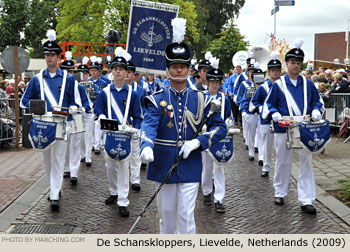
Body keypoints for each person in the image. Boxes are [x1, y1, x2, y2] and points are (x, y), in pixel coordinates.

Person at [139, 18, 227, 234]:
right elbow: (149, 124)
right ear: (168, 70)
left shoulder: (201, 99)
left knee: (186, 216)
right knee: (167, 216)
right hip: (163, 163)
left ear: (188, 70)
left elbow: (220, 128)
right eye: (174, 67)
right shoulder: (156, 98)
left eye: (183, 67)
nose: (179, 71)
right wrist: (146, 146)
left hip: (190, 164)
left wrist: (198, 141)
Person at [262, 38, 324, 214]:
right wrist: (274, 113)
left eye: (298, 63)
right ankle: (280, 192)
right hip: (284, 127)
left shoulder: (308, 83)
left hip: (304, 127)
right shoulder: (279, 85)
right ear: (286, 65)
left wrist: (317, 110)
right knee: (283, 161)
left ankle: (306, 199)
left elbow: (317, 101)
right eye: (292, 63)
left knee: (306, 162)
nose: (295, 66)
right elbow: (269, 104)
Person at [20, 30, 76, 211]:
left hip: (61, 124)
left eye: (52, 55)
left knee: (59, 160)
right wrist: (37, 106)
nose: (49, 58)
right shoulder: (36, 79)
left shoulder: (68, 79)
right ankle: (55, 187)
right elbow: (24, 101)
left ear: (58, 57)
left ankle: (54, 195)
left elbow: (75, 101)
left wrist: (74, 109)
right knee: (48, 161)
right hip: (43, 125)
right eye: (46, 55)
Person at [94, 47, 142, 217]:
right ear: (112, 71)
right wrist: (101, 119)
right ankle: (114, 192)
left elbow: (138, 116)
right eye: (116, 69)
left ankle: (123, 200)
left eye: (121, 69)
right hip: (109, 134)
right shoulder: (104, 93)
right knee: (110, 166)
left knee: (123, 166)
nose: (119, 72)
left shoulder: (133, 94)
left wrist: (134, 128)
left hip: (125, 135)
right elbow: (98, 111)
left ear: (125, 71)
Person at [201, 58, 233, 213]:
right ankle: (206, 191)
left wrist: (228, 121)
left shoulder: (224, 99)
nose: (214, 84)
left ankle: (219, 198)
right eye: (212, 81)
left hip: (219, 136)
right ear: (207, 82)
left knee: (219, 167)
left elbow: (229, 116)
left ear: (221, 83)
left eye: (217, 82)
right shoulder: (201, 97)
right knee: (206, 167)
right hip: (205, 135)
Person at [61, 52, 92, 185]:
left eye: (70, 71)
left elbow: (86, 103)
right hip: (63, 119)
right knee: (64, 145)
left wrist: (83, 108)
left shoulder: (78, 86)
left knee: (75, 146)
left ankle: (74, 172)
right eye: (65, 70)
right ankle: (66, 168)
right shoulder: (59, 86)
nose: (68, 73)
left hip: (77, 118)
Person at [250, 52, 282, 177]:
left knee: (281, 146)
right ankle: (266, 166)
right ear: (268, 72)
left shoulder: (283, 86)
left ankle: (280, 169)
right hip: (266, 120)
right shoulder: (262, 88)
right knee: (267, 144)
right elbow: (253, 104)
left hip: (280, 120)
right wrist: (263, 108)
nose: (275, 73)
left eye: (277, 70)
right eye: (273, 70)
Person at [124, 53, 147, 191]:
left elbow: (144, 106)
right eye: (125, 72)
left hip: (135, 124)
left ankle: (135, 179)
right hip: (121, 125)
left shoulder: (139, 90)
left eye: (130, 72)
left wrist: (139, 120)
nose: (127, 74)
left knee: (135, 153)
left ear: (134, 75)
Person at [88, 56, 108, 154]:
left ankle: (97, 145)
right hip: (88, 107)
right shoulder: (86, 82)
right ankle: (91, 144)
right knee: (89, 128)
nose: (93, 72)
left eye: (95, 70)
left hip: (98, 107)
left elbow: (104, 95)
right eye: (91, 70)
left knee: (97, 127)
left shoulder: (103, 83)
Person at [78, 57, 94, 167]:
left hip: (89, 113)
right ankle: (82, 154)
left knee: (88, 135)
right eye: (81, 73)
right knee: (80, 135)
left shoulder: (92, 84)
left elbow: (96, 97)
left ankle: (88, 156)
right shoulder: (75, 86)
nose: (83, 75)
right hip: (79, 113)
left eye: (85, 73)